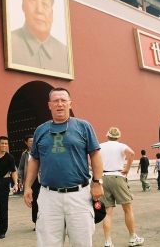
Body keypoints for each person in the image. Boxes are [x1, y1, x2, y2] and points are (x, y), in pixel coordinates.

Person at [23, 87, 104, 247]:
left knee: (82, 243)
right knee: (47, 243)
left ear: (70, 103)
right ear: (49, 105)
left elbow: (95, 154)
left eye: (63, 100)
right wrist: (27, 186)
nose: (59, 104)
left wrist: (97, 182)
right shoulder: (40, 130)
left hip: (79, 195)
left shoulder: (83, 126)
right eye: (55, 101)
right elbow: (34, 160)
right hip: (48, 197)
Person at [11, 0, 69, 73]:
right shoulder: (11, 42)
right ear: (23, 5)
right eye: (33, 0)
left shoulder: (65, 53)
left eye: (45, 4)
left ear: (52, 13)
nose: (39, 10)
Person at [99, 127, 144, 247]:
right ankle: (132, 237)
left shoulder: (101, 146)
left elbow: (90, 158)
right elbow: (132, 153)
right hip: (118, 176)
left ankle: (108, 241)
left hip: (103, 177)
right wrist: (127, 168)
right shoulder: (121, 146)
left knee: (107, 212)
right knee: (127, 208)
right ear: (118, 137)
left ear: (107, 136)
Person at [17, 134, 40, 230]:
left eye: (33, 141)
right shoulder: (24, 154)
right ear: (26, 142)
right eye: (30, 141)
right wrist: (21, 180)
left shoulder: (40, 151)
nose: (32, 142)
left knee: (43, 201)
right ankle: (36, 222)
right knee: (35, 202)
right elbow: (21, 168)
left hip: (41, 179)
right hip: (32, 181)